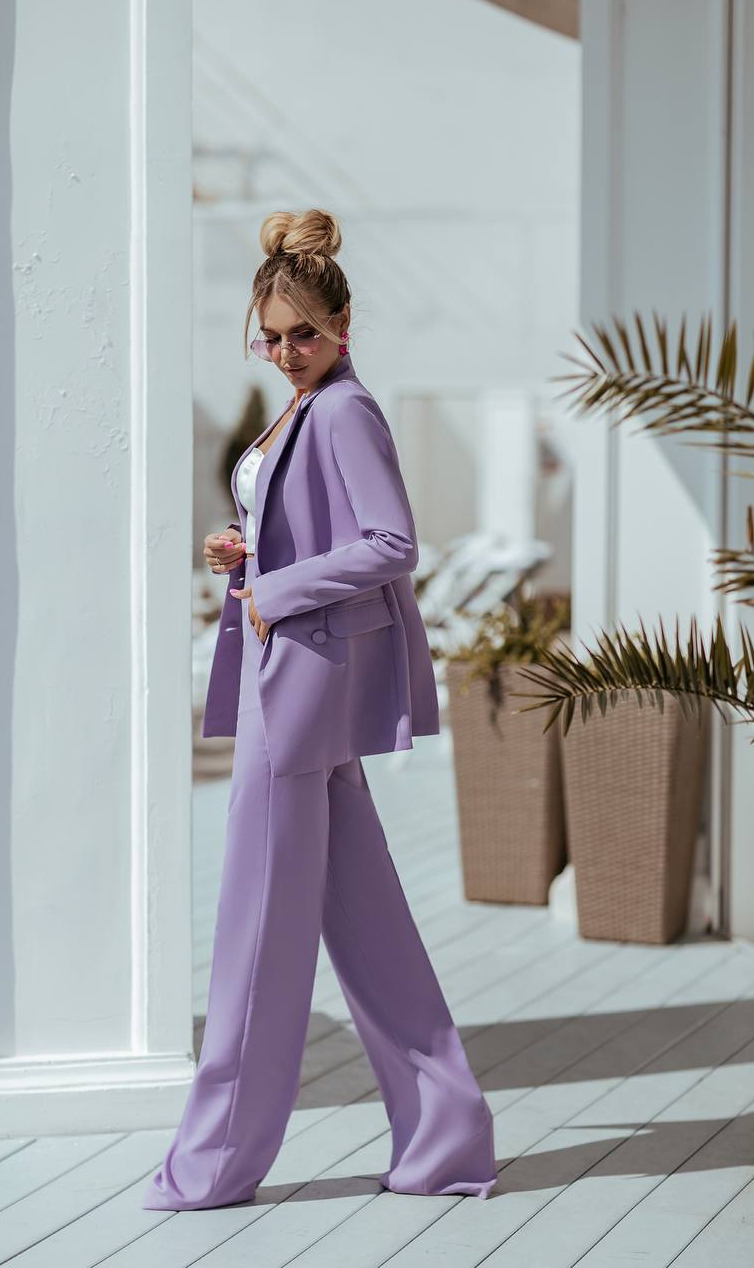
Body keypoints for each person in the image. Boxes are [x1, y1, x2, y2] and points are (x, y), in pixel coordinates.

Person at [141, 208, 498, 1211]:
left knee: (256, 935)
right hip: (290, 686)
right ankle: (446, 1133)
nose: (289, 351)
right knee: (368, 928)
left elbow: (391, 542)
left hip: (299, 696)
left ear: (343, 325)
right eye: (273, 336)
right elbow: (313, 531)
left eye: (306, 332)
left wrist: (275, 593)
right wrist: (245, 552)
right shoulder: (298, 412)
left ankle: (215, 1162)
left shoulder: (342, 409)